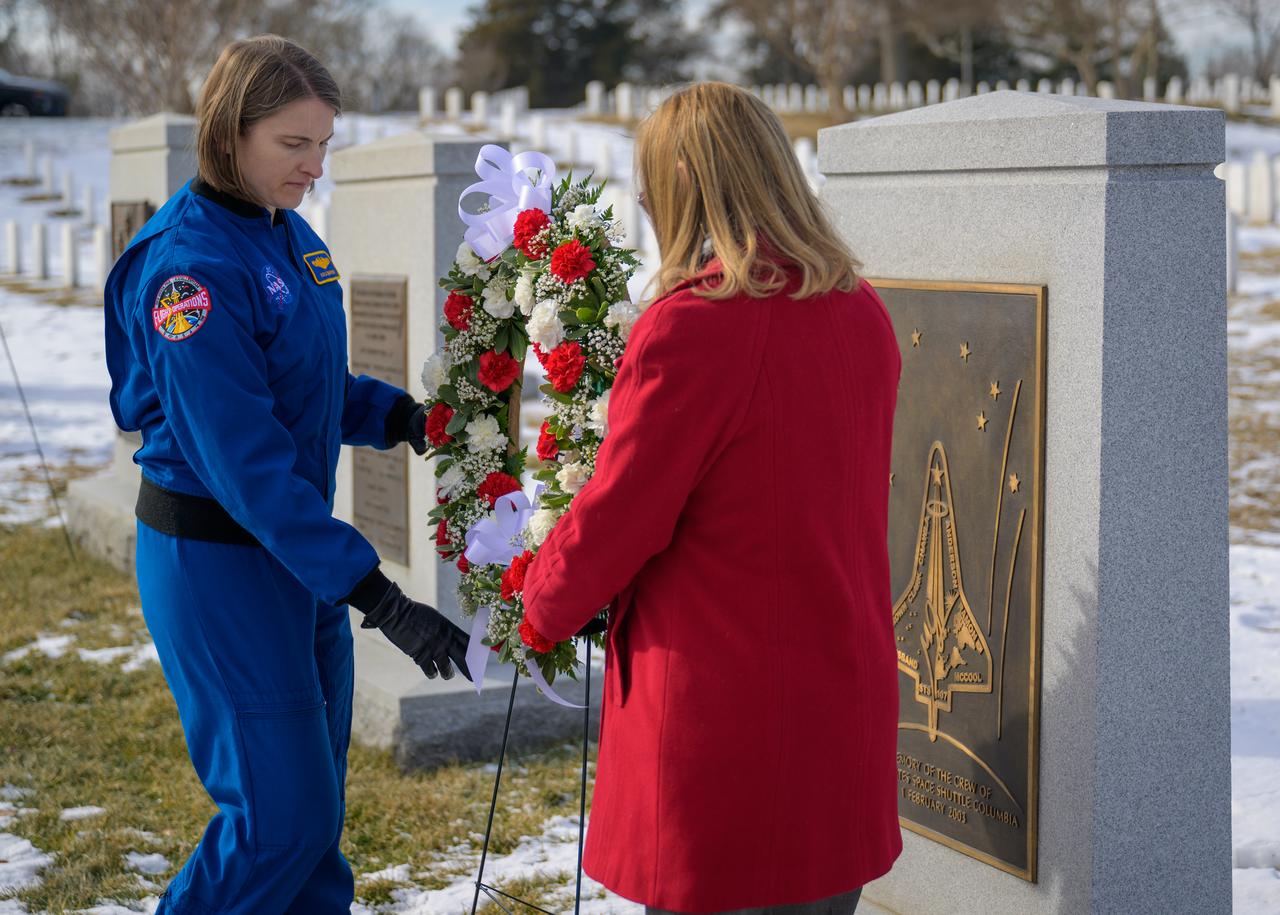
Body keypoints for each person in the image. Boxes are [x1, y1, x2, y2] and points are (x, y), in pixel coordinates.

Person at [103, 35, 470, 913]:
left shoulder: (287, 236)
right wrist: (381, 598)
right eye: (293, 145)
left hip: (294, 558)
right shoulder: (188, 270)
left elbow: (304, 384)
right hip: (222, 560)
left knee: (314, 821)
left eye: (323, 145)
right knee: (278, 819)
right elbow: (247, 462)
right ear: (230, 133)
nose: (314, 167)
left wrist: (398, 417)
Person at [521, 81, 904, 914]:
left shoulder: (698, 327)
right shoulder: (860, 308)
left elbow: (623, 515)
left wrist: (541, 604)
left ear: (684, 180)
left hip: (727, 723)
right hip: (841, 703)